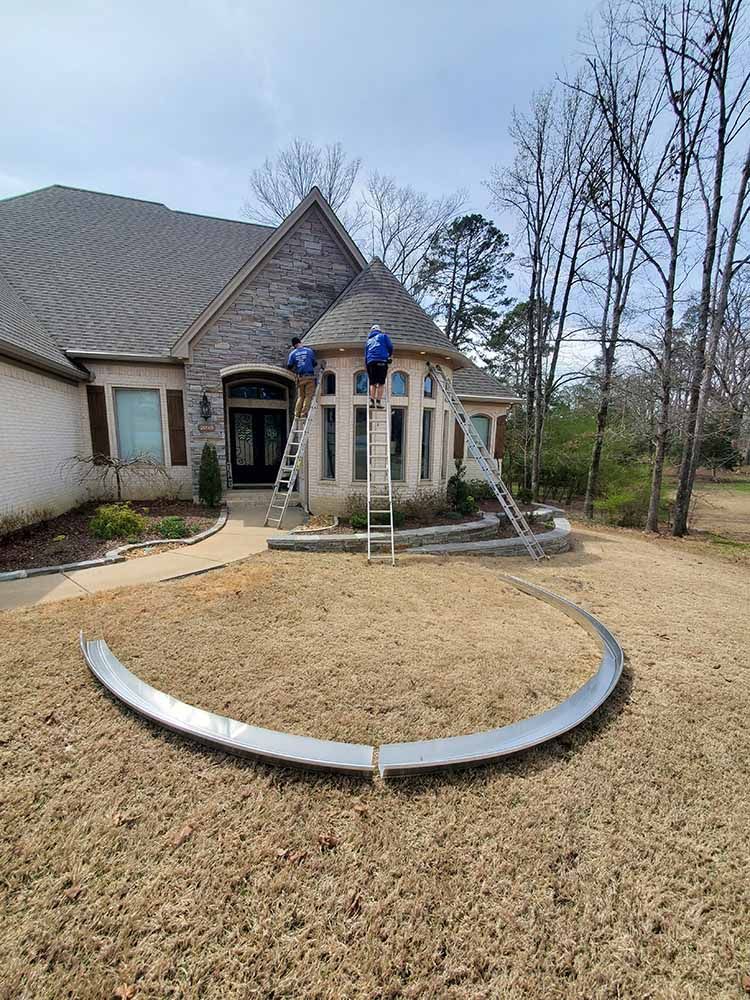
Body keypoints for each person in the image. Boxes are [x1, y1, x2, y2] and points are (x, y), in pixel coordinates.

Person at [286, 337, 317, 419]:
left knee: (301, 397)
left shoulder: (292, 354)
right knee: (308, 396)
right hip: (309, 377)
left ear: (294, 345)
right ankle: (303, 414)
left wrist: (297, 368)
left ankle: (296, 414)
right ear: (300, 342)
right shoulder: (309, 351)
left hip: (300, 378)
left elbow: (289, 366)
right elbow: (314, 363)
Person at [365, 323, 394, 408]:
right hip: (382, 361)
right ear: (379, 330)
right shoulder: (383, 336)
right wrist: (389, 355)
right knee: (381, 383)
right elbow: (390, 346)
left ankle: (371, 401)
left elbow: (366, 355)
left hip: (371, 362)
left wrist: (367, 367)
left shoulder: (368, 341)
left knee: (372, 383)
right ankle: (378, 402)